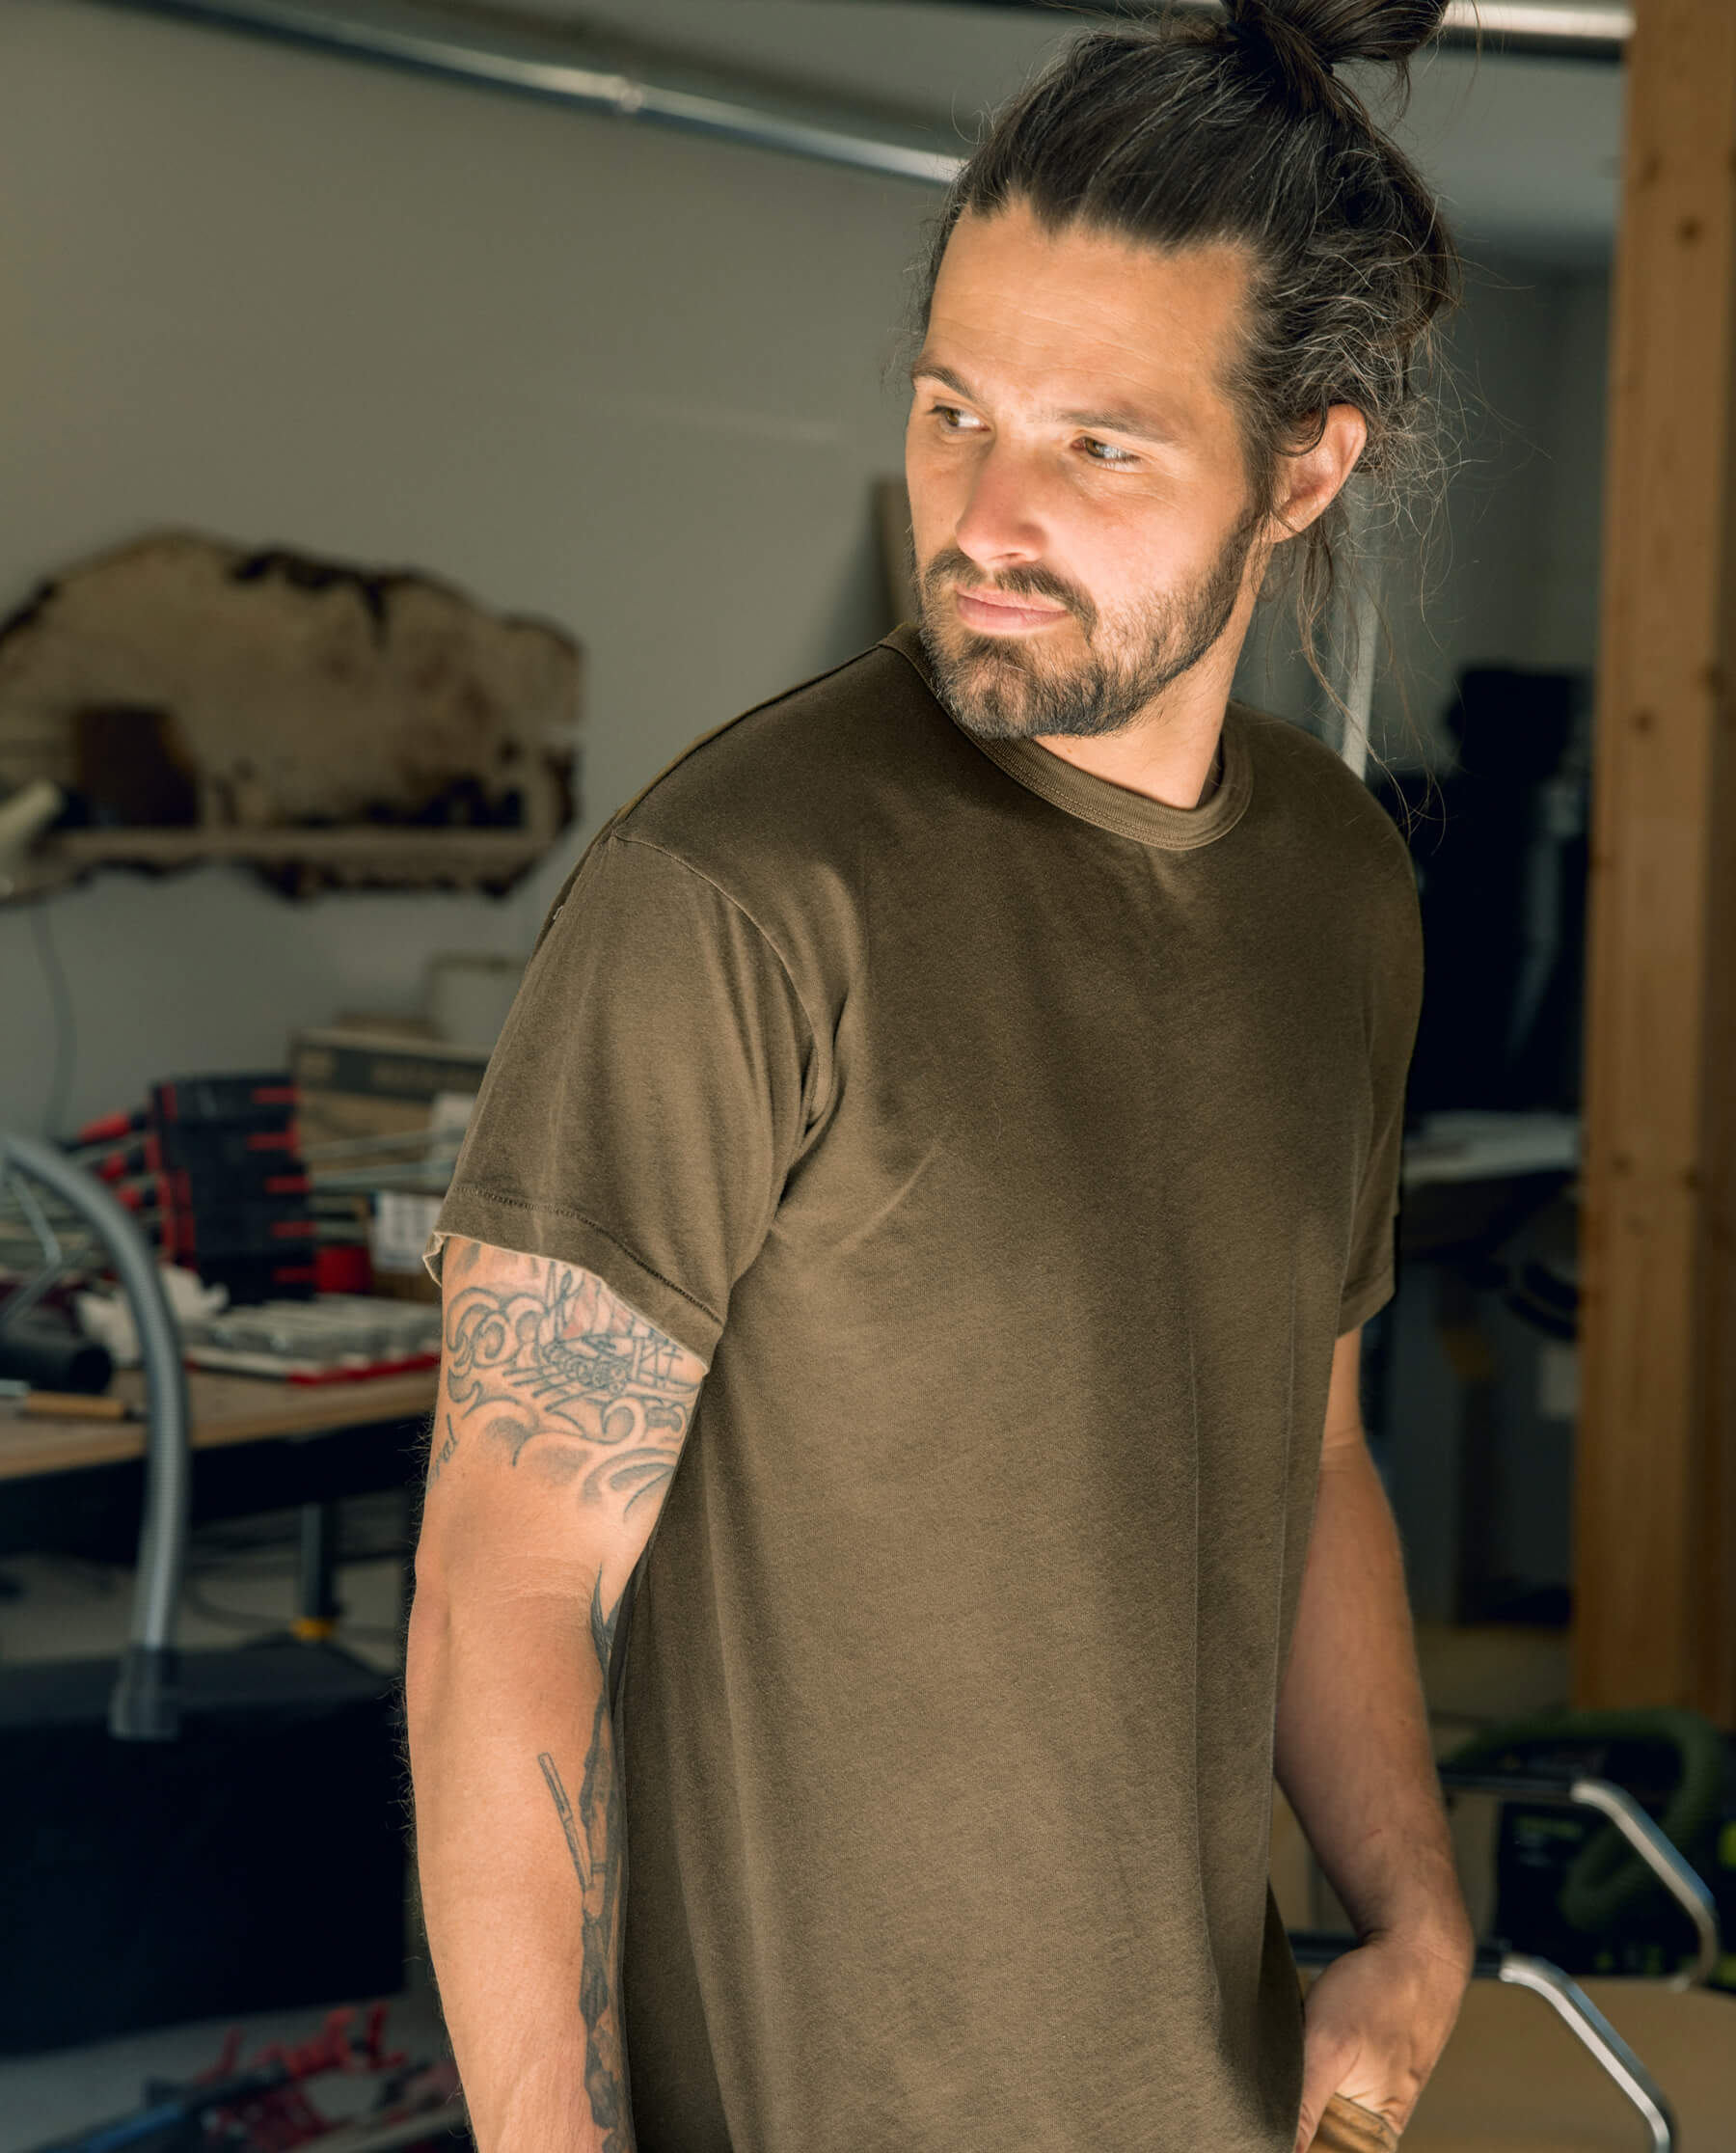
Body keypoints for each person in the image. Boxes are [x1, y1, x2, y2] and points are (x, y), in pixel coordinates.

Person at [404, 3, 1477, 2147]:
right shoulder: (736, 894)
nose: (983, 515)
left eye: (1099, 447)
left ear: (1302, 467)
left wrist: (1413, 1906)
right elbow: (502, 1601)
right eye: (951, 411)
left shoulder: (1337, 890)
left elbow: (1317, 1452)